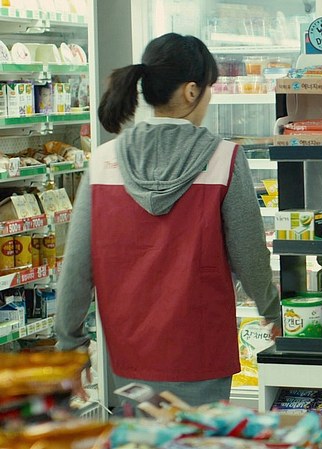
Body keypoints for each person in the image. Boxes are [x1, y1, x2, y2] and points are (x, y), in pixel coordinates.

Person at [55, 33, 281, 406]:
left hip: (130, 352)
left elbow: (78, 264)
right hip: (203, 350)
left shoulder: (104, 161)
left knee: (142, 434)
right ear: (191, 92)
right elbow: (250, 255)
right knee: (199, 435)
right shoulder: (224, 160)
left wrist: (70, 343)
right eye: (209, 88)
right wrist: (272, 311)